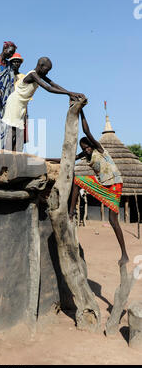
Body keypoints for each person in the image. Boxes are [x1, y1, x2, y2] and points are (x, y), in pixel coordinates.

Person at [69, 108, 129, 266]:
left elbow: (87, 131)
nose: (86, 149)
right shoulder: (86, 155)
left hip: (115, 183)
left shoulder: (99, 149)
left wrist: (81, 112)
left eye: (87, 146)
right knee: (77, 181)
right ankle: (71, 212)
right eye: (83, 148)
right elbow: (69, 158)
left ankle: (124, 254)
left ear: (91, 145)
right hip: (103, 184)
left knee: (113, 220)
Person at [2, 56, 86, 151]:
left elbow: (53, 84)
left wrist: (69, 93)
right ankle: (7, 154)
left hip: (21, 105)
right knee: (13, 130)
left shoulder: (39, 75)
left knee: (19, 132)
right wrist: (69, 93)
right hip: (15, 102)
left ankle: (14, 156)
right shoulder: (33, 75)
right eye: (47, 70)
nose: (47, 72)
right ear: (41, 66)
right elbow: (48, 88)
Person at [5, 52, 29, 151]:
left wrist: (26, 115)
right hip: (7, 109)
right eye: (13, 61)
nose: (16, 63)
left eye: (18, 62)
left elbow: (26, 96)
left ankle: (17, 160)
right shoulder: (6, 76)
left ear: (20, 64)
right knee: (8, 136)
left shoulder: (23, 77)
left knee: (19, 138)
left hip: (20, 109)